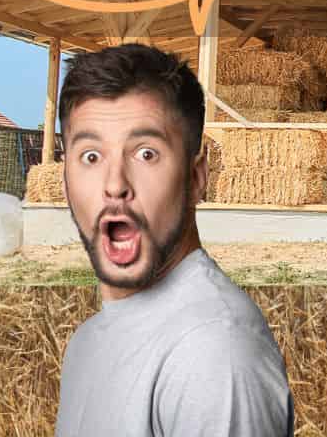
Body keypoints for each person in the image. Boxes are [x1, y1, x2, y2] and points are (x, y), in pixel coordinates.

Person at [53, 44, 294, 437]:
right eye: (91, 157)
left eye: (146, 154)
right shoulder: (85, 344)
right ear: (64, 180)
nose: (115, 185)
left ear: (196, 178)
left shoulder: (213, 351)